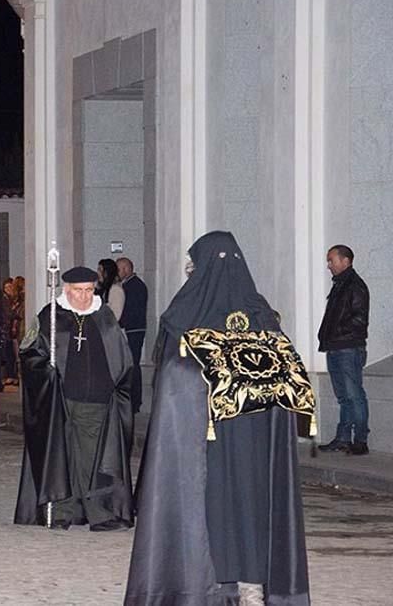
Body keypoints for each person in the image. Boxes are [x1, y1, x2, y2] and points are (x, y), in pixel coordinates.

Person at [125, 231, 310, 605]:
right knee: (250, 503)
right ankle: (251, 584)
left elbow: (172, 374)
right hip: (249, 435)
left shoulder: (184, 311)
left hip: (206, 435)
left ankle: (212, 585)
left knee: (213, 506)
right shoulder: (261, 312)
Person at [14, 266, 134, 531]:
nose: (84, 296)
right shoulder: (50, 316)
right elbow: (29, 353)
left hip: (96, 400)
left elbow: (121, 357)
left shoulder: (104, 316)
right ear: (66, 290)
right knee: (61, 456)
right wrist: (45, 370)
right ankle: (61, 511)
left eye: (89, 290)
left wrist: (116, 385)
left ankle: (100, 513)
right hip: (60, 401)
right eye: (78, 291)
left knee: (94, 459)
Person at [317, 244, 371, 455]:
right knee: (344, 397)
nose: (329, 265)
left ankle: (360, 440)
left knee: (354, 395)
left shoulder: (354, 286)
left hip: (348, 348)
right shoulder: (340, 285)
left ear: (345, 261)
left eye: (332, 260)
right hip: (336, 347)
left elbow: (359, 319)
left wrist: (335, 332)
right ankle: (342, 438)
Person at [116, 257, 148, 414]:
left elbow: (130, 311)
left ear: (126, 269)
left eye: (119, 269)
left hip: (134, 330)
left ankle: (135, 401)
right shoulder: (131, 285)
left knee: (133, 365)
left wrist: (119, 323)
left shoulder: (134, 286)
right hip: (134, 329)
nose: (117, 273)